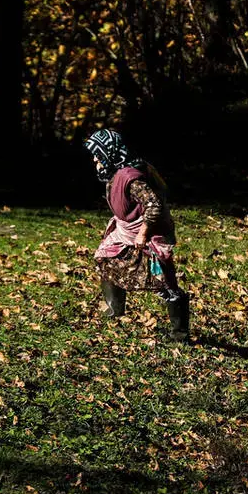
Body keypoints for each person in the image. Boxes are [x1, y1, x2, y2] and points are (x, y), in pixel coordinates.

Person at [84, 128, 190, 342]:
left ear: (109, 153)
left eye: (98, 153)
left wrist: (142, 234)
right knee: (106, 259)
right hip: (124, 231)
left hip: (147, 234)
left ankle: (180, 335)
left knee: (165, 281)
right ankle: (114, 311)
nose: (95, 158)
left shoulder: (130, 178)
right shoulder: (117, 173)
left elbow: (153, 205)